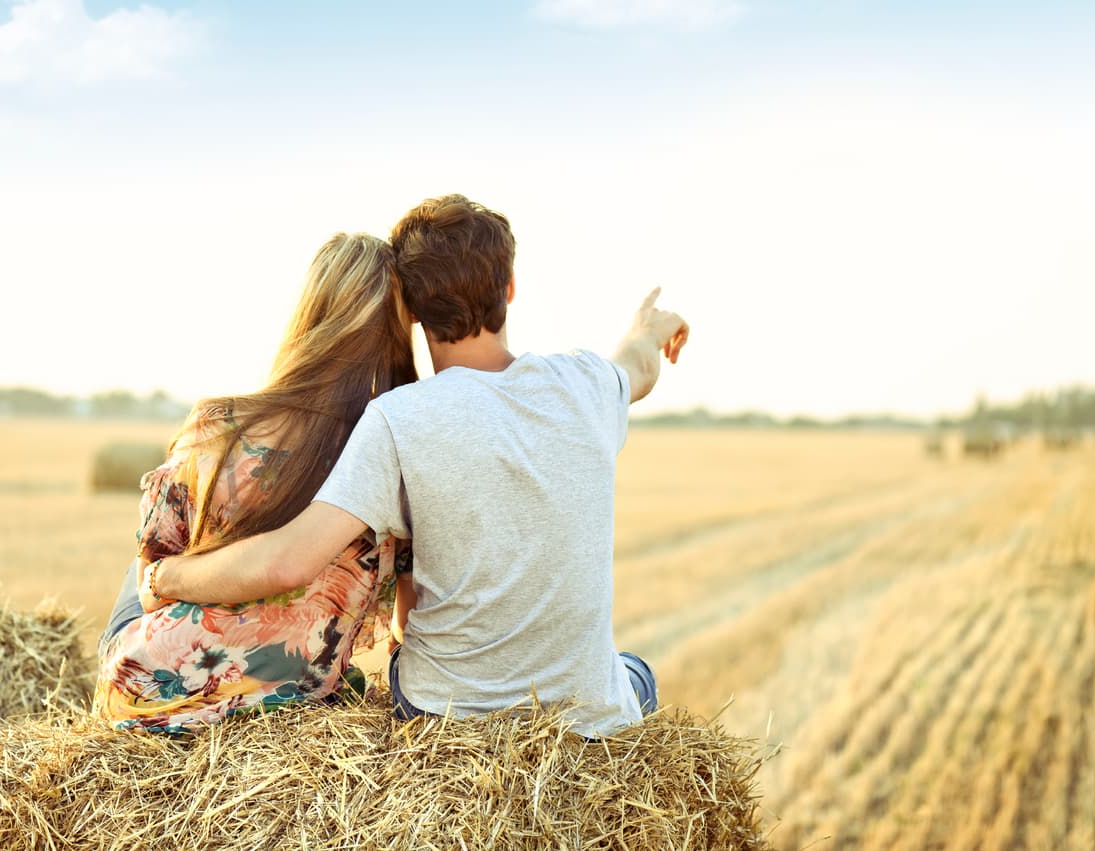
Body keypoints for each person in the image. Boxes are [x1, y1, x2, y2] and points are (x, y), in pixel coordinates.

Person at [143, 195, 688, 737]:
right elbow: (638, 365)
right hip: (587, 717)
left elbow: (288, 562)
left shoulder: (396, 418)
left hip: (442, 713)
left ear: (412, 308)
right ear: (512, 286)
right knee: (635, 671)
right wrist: (651, 328)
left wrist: (167, 575)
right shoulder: (588, 383)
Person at [92, 232, 419, 734]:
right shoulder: (395, 455)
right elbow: (407, 623)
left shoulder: (219, 423)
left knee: (148, 560)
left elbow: (153, 569)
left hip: (149, 686)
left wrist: (163, 578)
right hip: (294, 692)